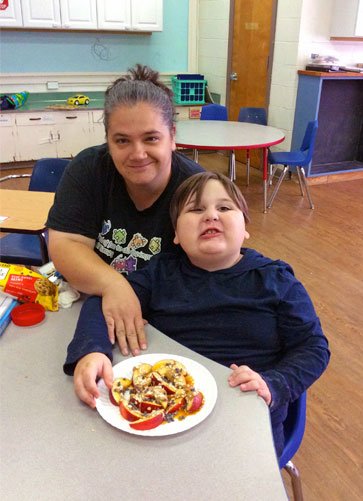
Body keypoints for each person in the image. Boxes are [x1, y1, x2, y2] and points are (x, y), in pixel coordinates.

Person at [64, 171, 330, 457]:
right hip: (165, 421)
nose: (211, 216)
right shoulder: (160, 273)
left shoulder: (276, 279)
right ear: (176, 235)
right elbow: (104, 301)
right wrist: (92, 351)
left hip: (245, 421)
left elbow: (313, 348)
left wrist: (274, 384)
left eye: (224, 208)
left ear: (246, 228)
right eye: (195, 209)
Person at [46, 64, 203, 357]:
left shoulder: (196, 189)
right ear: (108, 140)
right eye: (122, 141)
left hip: (160, 327)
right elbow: (66, 244)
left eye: (151, 138)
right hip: (87, 309)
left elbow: (208, 272)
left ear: (172, 137)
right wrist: (113, 285)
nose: (138, 153)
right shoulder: (88, 169)